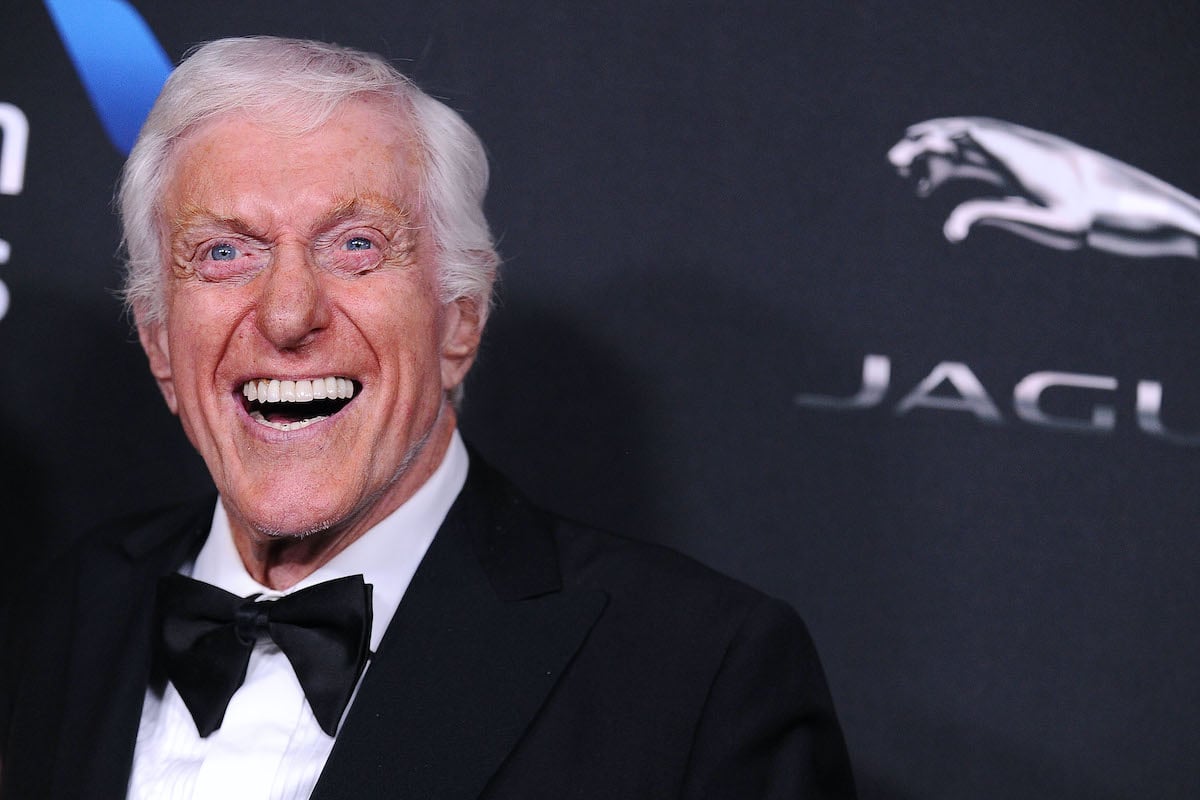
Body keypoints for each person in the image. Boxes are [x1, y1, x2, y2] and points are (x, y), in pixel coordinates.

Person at [0, 36, 855, 799]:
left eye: (357, 246)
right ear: (158, 342)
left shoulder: (699, 674)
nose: (289, 313)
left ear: (460, 321)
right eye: (224, 253)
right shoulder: (54, 617)